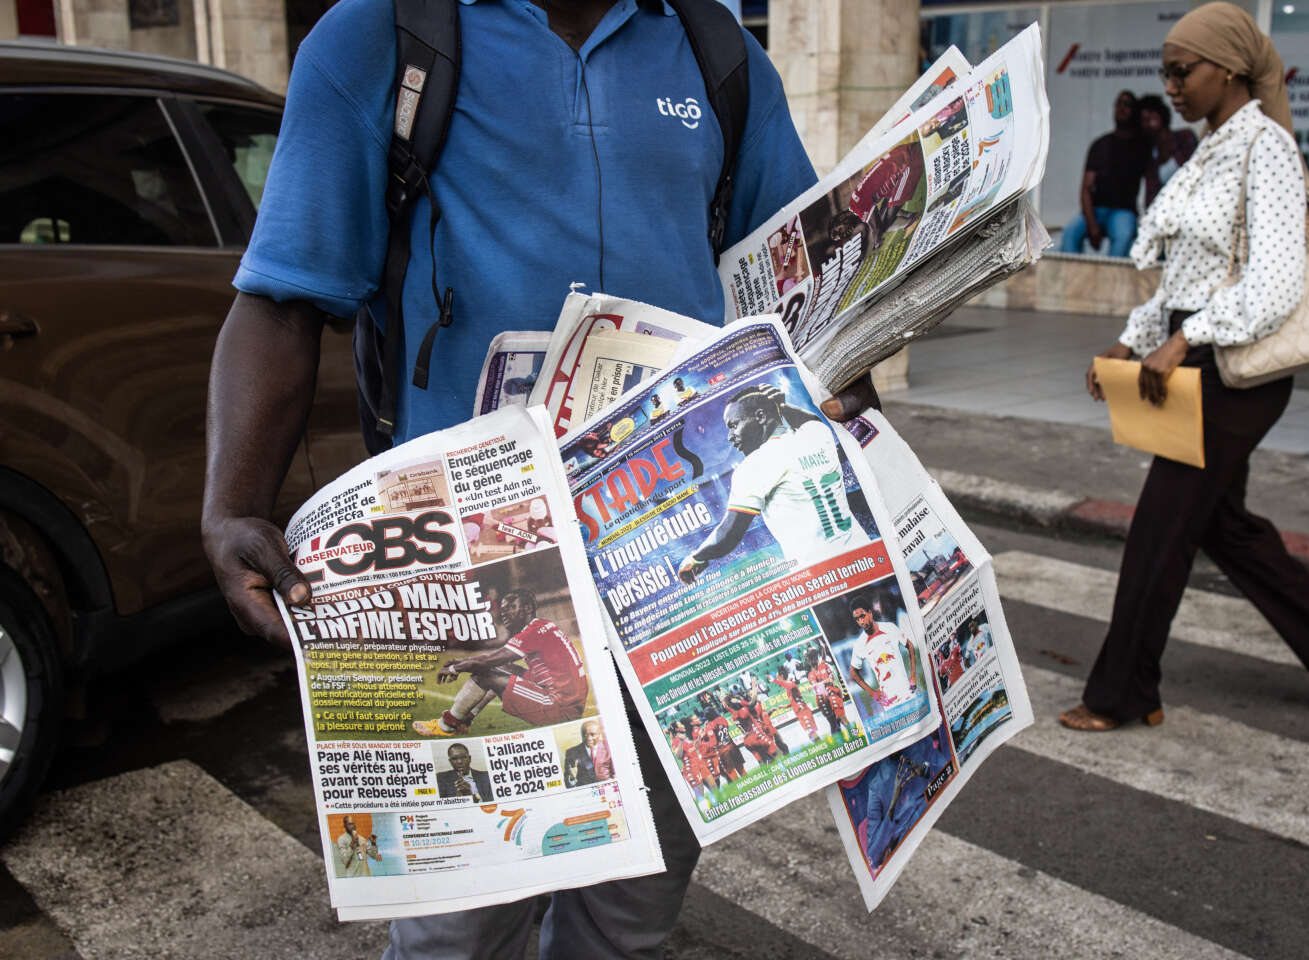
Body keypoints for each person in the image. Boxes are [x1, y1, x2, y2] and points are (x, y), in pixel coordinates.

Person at [199, 3, 883, 957]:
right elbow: (281, 295)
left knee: (632, 920)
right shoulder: (382, 35)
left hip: (670, 575)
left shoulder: (714, 46)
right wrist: (231, 503)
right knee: (455, 931)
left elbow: (803, 281)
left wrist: (848, 388)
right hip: (474, 565)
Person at [1064, 2, 1309, 733]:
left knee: (1159, 529)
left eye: (1184, 72)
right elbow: (1186, 278)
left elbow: (1274, 283)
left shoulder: (1265, 147)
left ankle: (1123, 694)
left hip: (1234, 370)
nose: (1171, 86)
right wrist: (1133, 338)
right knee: (1221, 525)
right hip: (1195, 356)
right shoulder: (1208, 148)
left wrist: (1187, 341)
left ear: (1231, 70)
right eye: (1166, 73)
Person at [678, 384, 869, 582]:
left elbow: (729, 534)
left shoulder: (756, 464)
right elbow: (812, 421)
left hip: (822, 578)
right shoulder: (819, 434)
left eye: (733, 425)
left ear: (760, 417)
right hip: (865, 556)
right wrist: (783, 406)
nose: (730, 437)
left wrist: (696, 557)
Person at [414, 589, 589, 736]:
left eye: (511, 607)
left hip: (560, 707)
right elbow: (496, 660)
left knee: (487, 675)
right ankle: (466, 719)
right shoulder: (542, 626)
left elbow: (491, 660)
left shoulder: (532, 633)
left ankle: (446, 726)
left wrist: (455, 667)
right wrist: (463, 661)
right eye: (503, 609)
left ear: (527, 608)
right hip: (566, 697)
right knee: (501, 667)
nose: (504, 613)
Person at [1060, 90, 1149, 257]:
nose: (1122, 108)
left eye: (1128, 105)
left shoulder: (1142, 146)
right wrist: (1092, 225)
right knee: (1070, 233)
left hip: (1124, 211)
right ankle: (1073, 282)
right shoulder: (1101, 144)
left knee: (1123, 236)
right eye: (1119, 103)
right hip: (1097, 210)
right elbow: (1085, 189)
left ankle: (1111, 282)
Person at [847, 602, 919, 711]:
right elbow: (853, 672)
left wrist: (913, 675)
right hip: (888, 699)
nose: (861, 621)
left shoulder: (889, 627)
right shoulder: (859, 644)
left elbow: (909, 645)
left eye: (862, 616)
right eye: (857, 619)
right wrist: (872, 693)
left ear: (870, 613)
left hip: (906, 689)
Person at [1137, 94, 1197, 211]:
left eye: (1151, 113)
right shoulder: (1150, 156)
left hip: (1190, 206)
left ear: (1161, 113)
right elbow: (1150, 198)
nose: (1148, 120)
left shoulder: (1185, 137)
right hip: (1166, 213)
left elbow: (1197, 173)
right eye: (1143, 118)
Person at [563, 719, 605, 788]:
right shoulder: (571, 753)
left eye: (592, 734)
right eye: (585, 734)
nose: (588, 738)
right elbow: (567, 785)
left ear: (599, 734)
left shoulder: (608, 747)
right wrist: (572, 778)